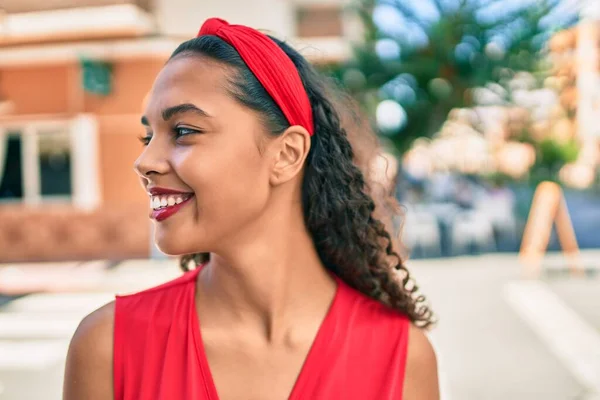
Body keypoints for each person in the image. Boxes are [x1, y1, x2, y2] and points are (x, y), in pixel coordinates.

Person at [63, 18, 438, 400]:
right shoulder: (108, 348)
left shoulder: (402, 357)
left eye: (184, 131)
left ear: (286, 154)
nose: (144, 161)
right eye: (148, 136)